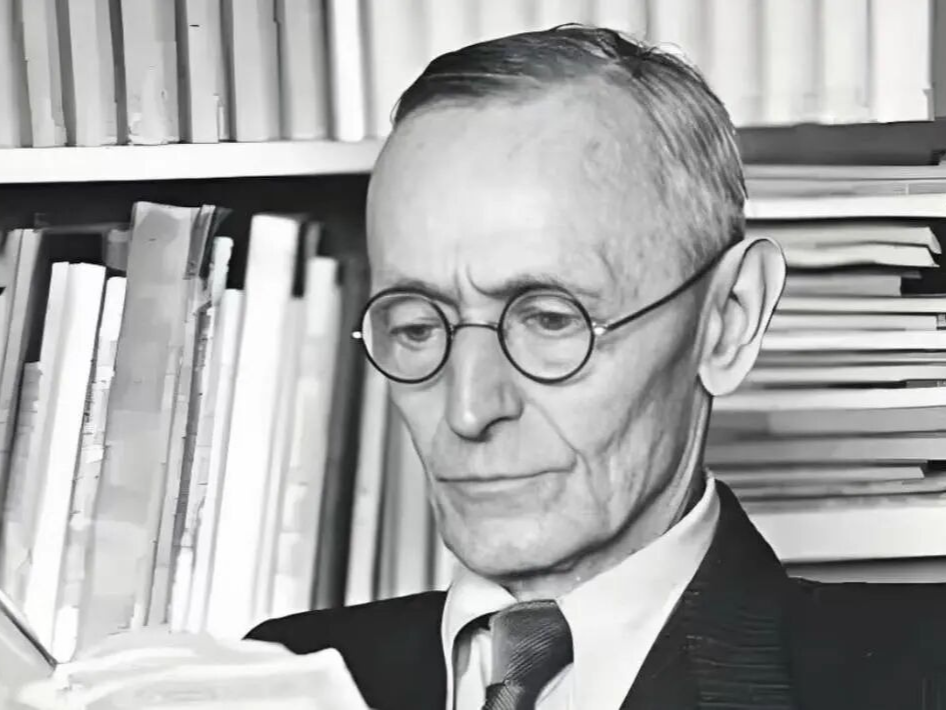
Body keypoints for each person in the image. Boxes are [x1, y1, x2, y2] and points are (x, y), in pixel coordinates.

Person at [248, 25, 946, 710]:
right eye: (417, 326)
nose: (468, 409)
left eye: (552, 320)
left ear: (728, 319)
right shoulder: (271, 676)